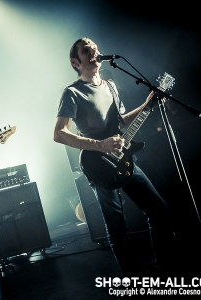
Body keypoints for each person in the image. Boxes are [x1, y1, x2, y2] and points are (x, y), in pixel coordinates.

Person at [53, 37, 175, 276]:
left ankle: (165, 269)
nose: (94, 51)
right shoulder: (72, 92)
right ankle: (129, 279)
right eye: (87, 50)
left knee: (159, 211)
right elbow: (59, 134)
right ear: (75, 62)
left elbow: (120, 122)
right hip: (96, 163)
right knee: (116, 225)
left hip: (123, 156)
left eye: (95, 48)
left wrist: (148, 104)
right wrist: (100, 145)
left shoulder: (110, 85)